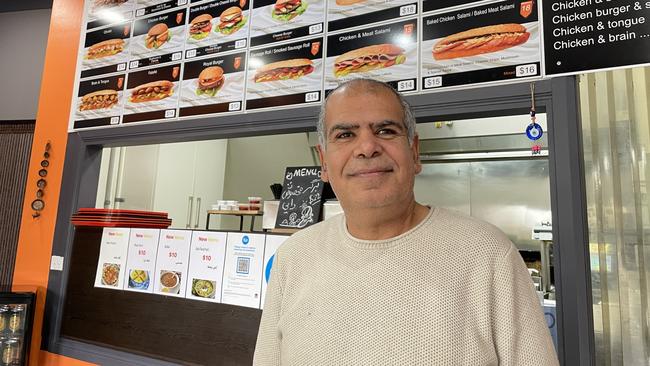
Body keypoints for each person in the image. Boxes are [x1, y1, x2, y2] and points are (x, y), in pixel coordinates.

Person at [253, 78, 559, 365]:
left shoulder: (488, 254)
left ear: (414, 152)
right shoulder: (293, 258)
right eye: (345, 134)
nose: (367, 147)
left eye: (385, 130)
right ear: (324, 162)